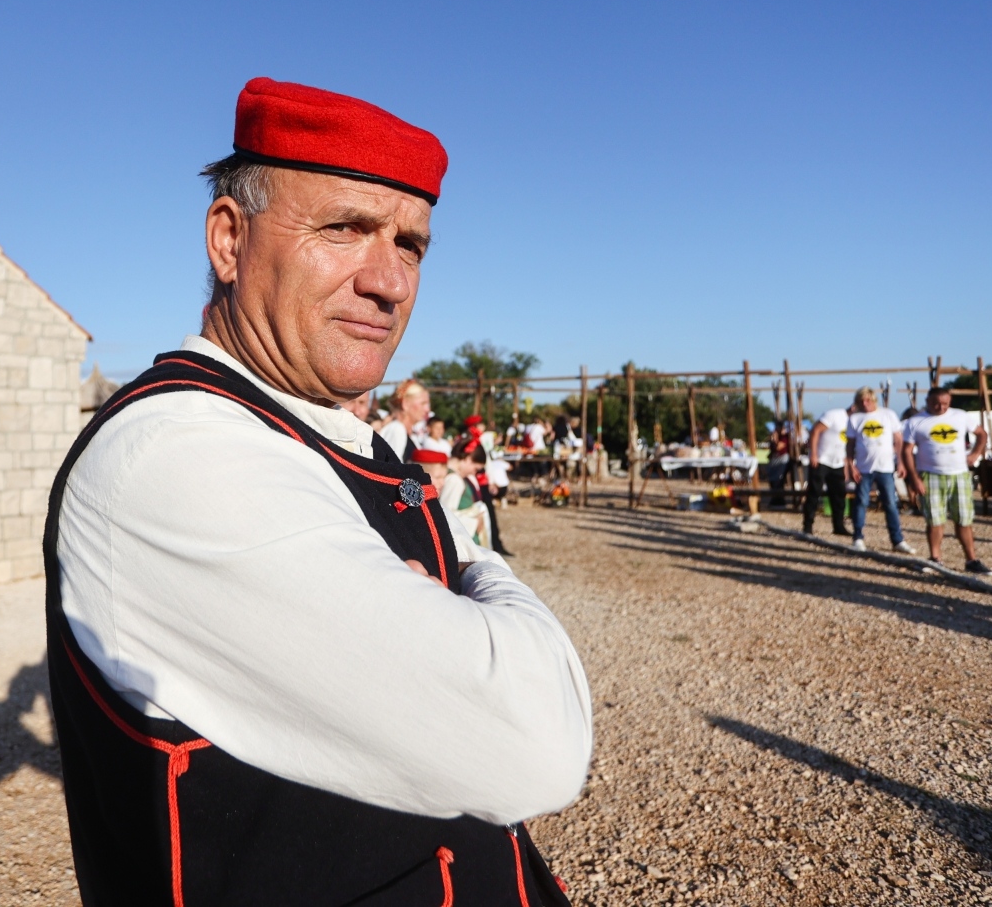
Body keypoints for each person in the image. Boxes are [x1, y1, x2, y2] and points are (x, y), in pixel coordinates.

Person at [46, 77, 588, 905]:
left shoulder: (310, 428)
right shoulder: (173, 453)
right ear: (229, 241)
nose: (391, 282)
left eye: (410, 245)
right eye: (345, 228)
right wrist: (485, 578)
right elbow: (538, 741)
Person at [901, 386, 992, 574]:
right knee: (935, 519)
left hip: (959, 474)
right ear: (927, 401)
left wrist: (975, 454)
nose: (941, 408)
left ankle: (971, 560)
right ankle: (935, 558)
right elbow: (906, 451)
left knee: (964, 519)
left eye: (945, 404)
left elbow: (981, 434)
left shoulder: (960, 416)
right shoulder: (915, 422)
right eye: (936, 403)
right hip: (930, 474)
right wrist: (914, 478)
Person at [845, 387, 915, 554]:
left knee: (891, 503)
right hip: (863, 468)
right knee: (861, 502)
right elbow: (850, 444)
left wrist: (901, 463)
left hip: (885, 467)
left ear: (873, 400)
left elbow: (898, 440)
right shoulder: (855, 418)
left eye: (868, 400)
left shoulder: (888, 414)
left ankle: (897, 540)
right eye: (861, 401)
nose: (865, 403)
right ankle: (858, 537)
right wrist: (850, 465)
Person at [804, 403, 851, 536]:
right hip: (821, 459)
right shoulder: (835, 415)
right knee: (814, 492)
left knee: (839, 495)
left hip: (838, 462)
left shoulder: (855, 422)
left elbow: (849, 445)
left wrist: (846, 466)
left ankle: (839, 526)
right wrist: (813, 453)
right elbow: (815, 430)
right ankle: (808, 526)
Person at [380, 378, 431, 461]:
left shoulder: (410, 435)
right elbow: (392, 468)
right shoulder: (397, 429)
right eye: (423, 403)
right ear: (405, 404)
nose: (427, 409)